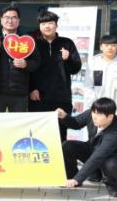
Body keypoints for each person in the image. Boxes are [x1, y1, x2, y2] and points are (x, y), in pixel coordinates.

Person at [59, 97, 117, 197]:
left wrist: (78, 178)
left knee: (111, 165)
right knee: (67, 146)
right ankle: (71, 177)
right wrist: (64, 116)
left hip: (114, 158)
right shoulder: (91, 113)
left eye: (99, 114)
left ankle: (111, 184)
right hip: (93, 149)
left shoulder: (116, 132)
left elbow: (99, 156)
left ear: (110, 117)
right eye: (94, 112)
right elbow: (76, 123)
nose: (95, 117)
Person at [29, 11, 82, 140]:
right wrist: (31, 88)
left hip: (61, 97)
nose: (47, 26)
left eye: (50, 23)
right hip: (38, 98)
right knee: (37, 135)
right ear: (39, 26)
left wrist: (68, 59)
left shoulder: (67, 43)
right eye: (43, 24)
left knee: (60, 135)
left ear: (56, 25)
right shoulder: (33, 44)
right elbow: (28, 69)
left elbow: (75, 68)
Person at [0, 6, 41, 112]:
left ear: (19, 20)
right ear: (1, 19)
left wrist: (26, 64)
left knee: (19, 122)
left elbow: (37, 62)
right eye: (7, 17)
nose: (10, 21)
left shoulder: (27, 40)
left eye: (14, 17)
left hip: (19, 92)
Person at [84, 34, 117, 122]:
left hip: (115, 112)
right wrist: (94, 105)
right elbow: (88, 86)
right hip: (95, 111)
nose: (110, 48)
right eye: (106, 45)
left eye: (113, 45)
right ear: (101, 47)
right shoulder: (93, 63)